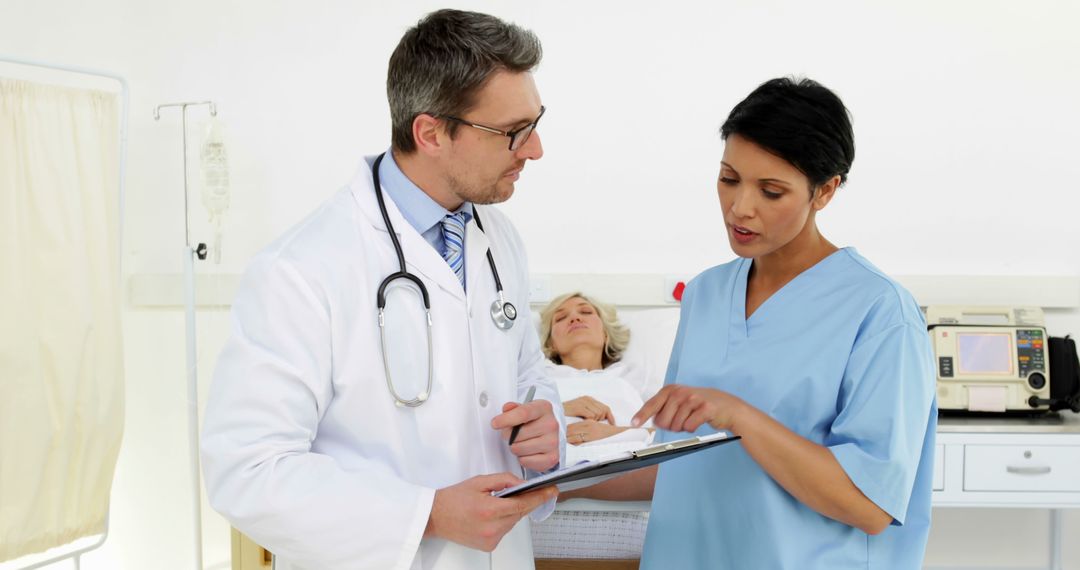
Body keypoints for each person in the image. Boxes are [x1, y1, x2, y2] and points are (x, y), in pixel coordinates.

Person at [200, 9, 566, 570]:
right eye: (514, 132)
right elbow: (246, 470)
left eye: (535, 122)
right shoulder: (301, 269)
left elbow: (525, 374)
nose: (536, 149)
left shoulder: (500, 239)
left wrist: (547, 423)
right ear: (430, 133)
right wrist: (428, 514)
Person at [568, 77, 937, 569]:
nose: (741, 208)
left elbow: (870, 504)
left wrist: (737, 415)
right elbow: (682, 467)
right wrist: (555, 485)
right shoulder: (707, 294)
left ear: (824, 191)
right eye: (729, 179)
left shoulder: (880, 311)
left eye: (771, 191)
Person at [538, 292, 654, 448]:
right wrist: (561, 409)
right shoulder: (539, 380)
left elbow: (664, 439)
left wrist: (610, 433)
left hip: (634, 465)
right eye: (560, 318)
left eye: (585, 312)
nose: (574, 318)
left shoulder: (631, 380)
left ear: (605, 333)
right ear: (551, 344)